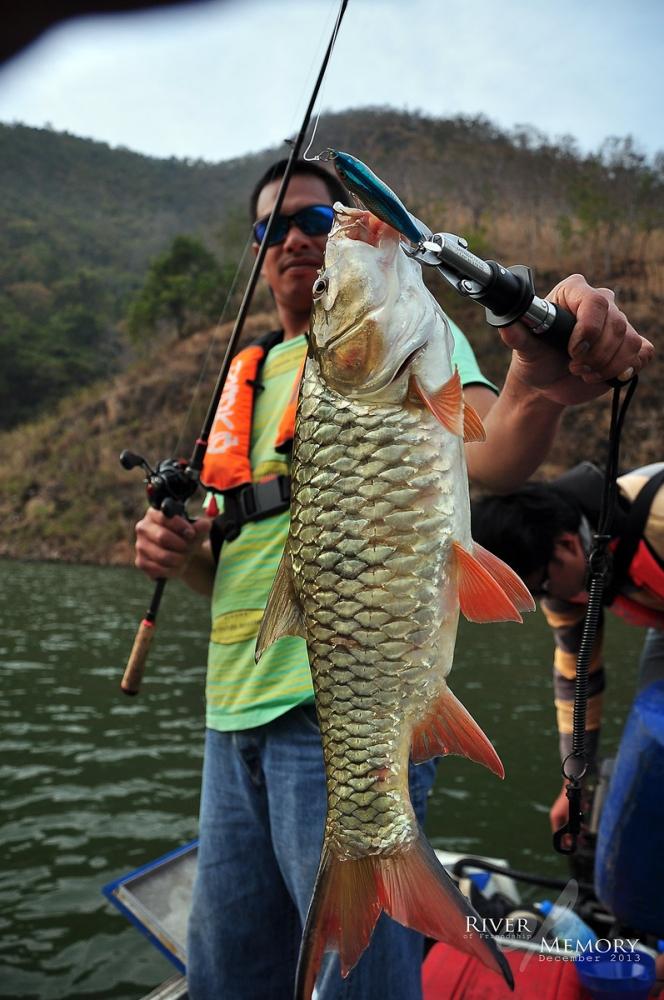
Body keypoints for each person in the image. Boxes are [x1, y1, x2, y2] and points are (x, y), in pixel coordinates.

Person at [134, 156, 654, 1000]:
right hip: (228, 715)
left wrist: (539, 381)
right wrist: (177, 552)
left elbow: (498, 446)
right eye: (275, 228)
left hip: (342, 705)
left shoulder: (413, 334)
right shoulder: (249, 378)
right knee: (229, 973)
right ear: (259, 250)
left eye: (317, 219)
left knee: (354, 984)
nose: (302, 241)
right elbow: (222, 573)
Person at [471, 462, 664, 834]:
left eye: (541, 588)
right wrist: (572, 783)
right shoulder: (571, 574)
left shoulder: (656, 518)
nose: (546, 600)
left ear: (566, 544)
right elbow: (578, 680)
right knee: (652, 732)